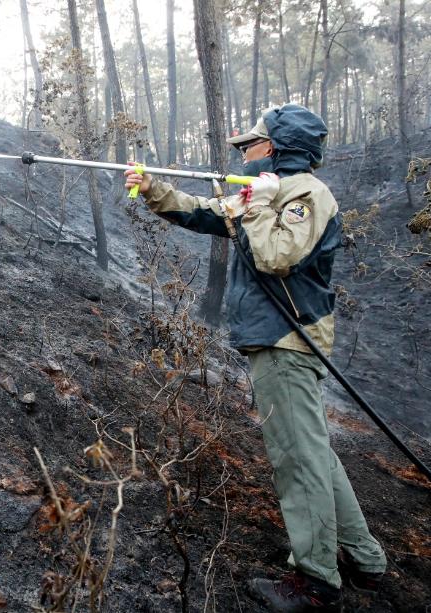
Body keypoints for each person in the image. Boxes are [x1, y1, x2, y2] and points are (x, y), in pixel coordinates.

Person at [123, 104, 387, 612]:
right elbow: (203, 212)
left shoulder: (305, 194)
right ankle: (364, 558)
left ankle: (316, 581)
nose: (244, 153)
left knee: (298, 458)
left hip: (288, 340)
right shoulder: (263, 193)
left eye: (251, 144)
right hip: (274, 338)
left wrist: (260, 204)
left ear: (277, 148)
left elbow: (276, 257)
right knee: (314, 453)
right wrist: (153, 188)